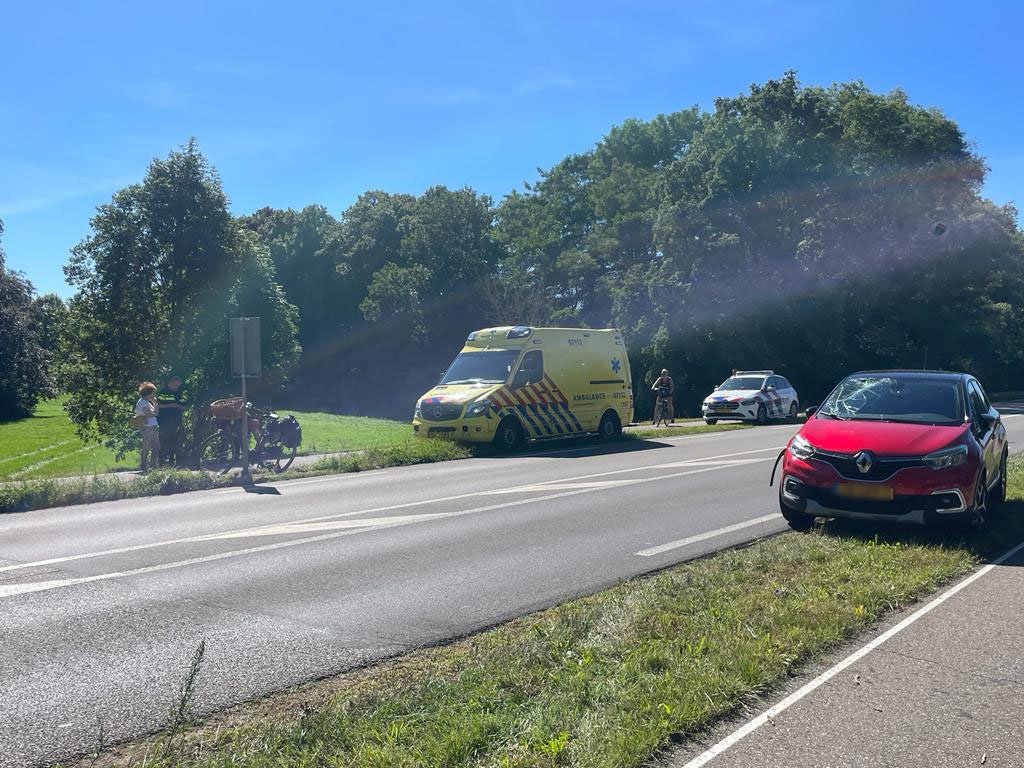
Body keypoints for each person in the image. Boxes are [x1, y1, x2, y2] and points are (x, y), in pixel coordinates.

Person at [157, 375, 188, 466]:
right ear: (170, 383)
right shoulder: (163, 392)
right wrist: (170, 405)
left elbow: (185, 406)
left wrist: (179, 406)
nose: (176, 387)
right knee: (163, 441)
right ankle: (161, 462)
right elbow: (157, 406)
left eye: (178, 386)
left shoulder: (180, 393)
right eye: (175, 385)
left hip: (177, 421)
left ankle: (172, 461)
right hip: (164, 421)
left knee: (175, 441)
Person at [135, 381, 160, 473]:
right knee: (147, 446)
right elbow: (150, 414)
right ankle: (144, 465)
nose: (155, 394)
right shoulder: (143, 403)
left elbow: (155, 413)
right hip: (147, 427)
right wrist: (155, 409)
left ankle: (153, 464)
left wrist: (155, 403)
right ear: (149, 393)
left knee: (156, 446)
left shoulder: (147, 402)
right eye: (153, 392)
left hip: (152, 426)